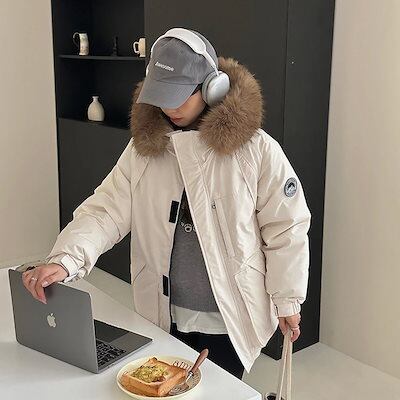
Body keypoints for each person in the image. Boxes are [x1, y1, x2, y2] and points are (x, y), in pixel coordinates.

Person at [22, 27, 311, 379]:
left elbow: (286, 228)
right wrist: (66, 259)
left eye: (180, 96)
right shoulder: (144, 151)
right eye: (162, 96)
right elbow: (105, 210)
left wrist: (287, 299)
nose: (170, 108)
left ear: (212, 86)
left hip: (230, 318)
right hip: (162, 314)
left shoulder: (257, 150)